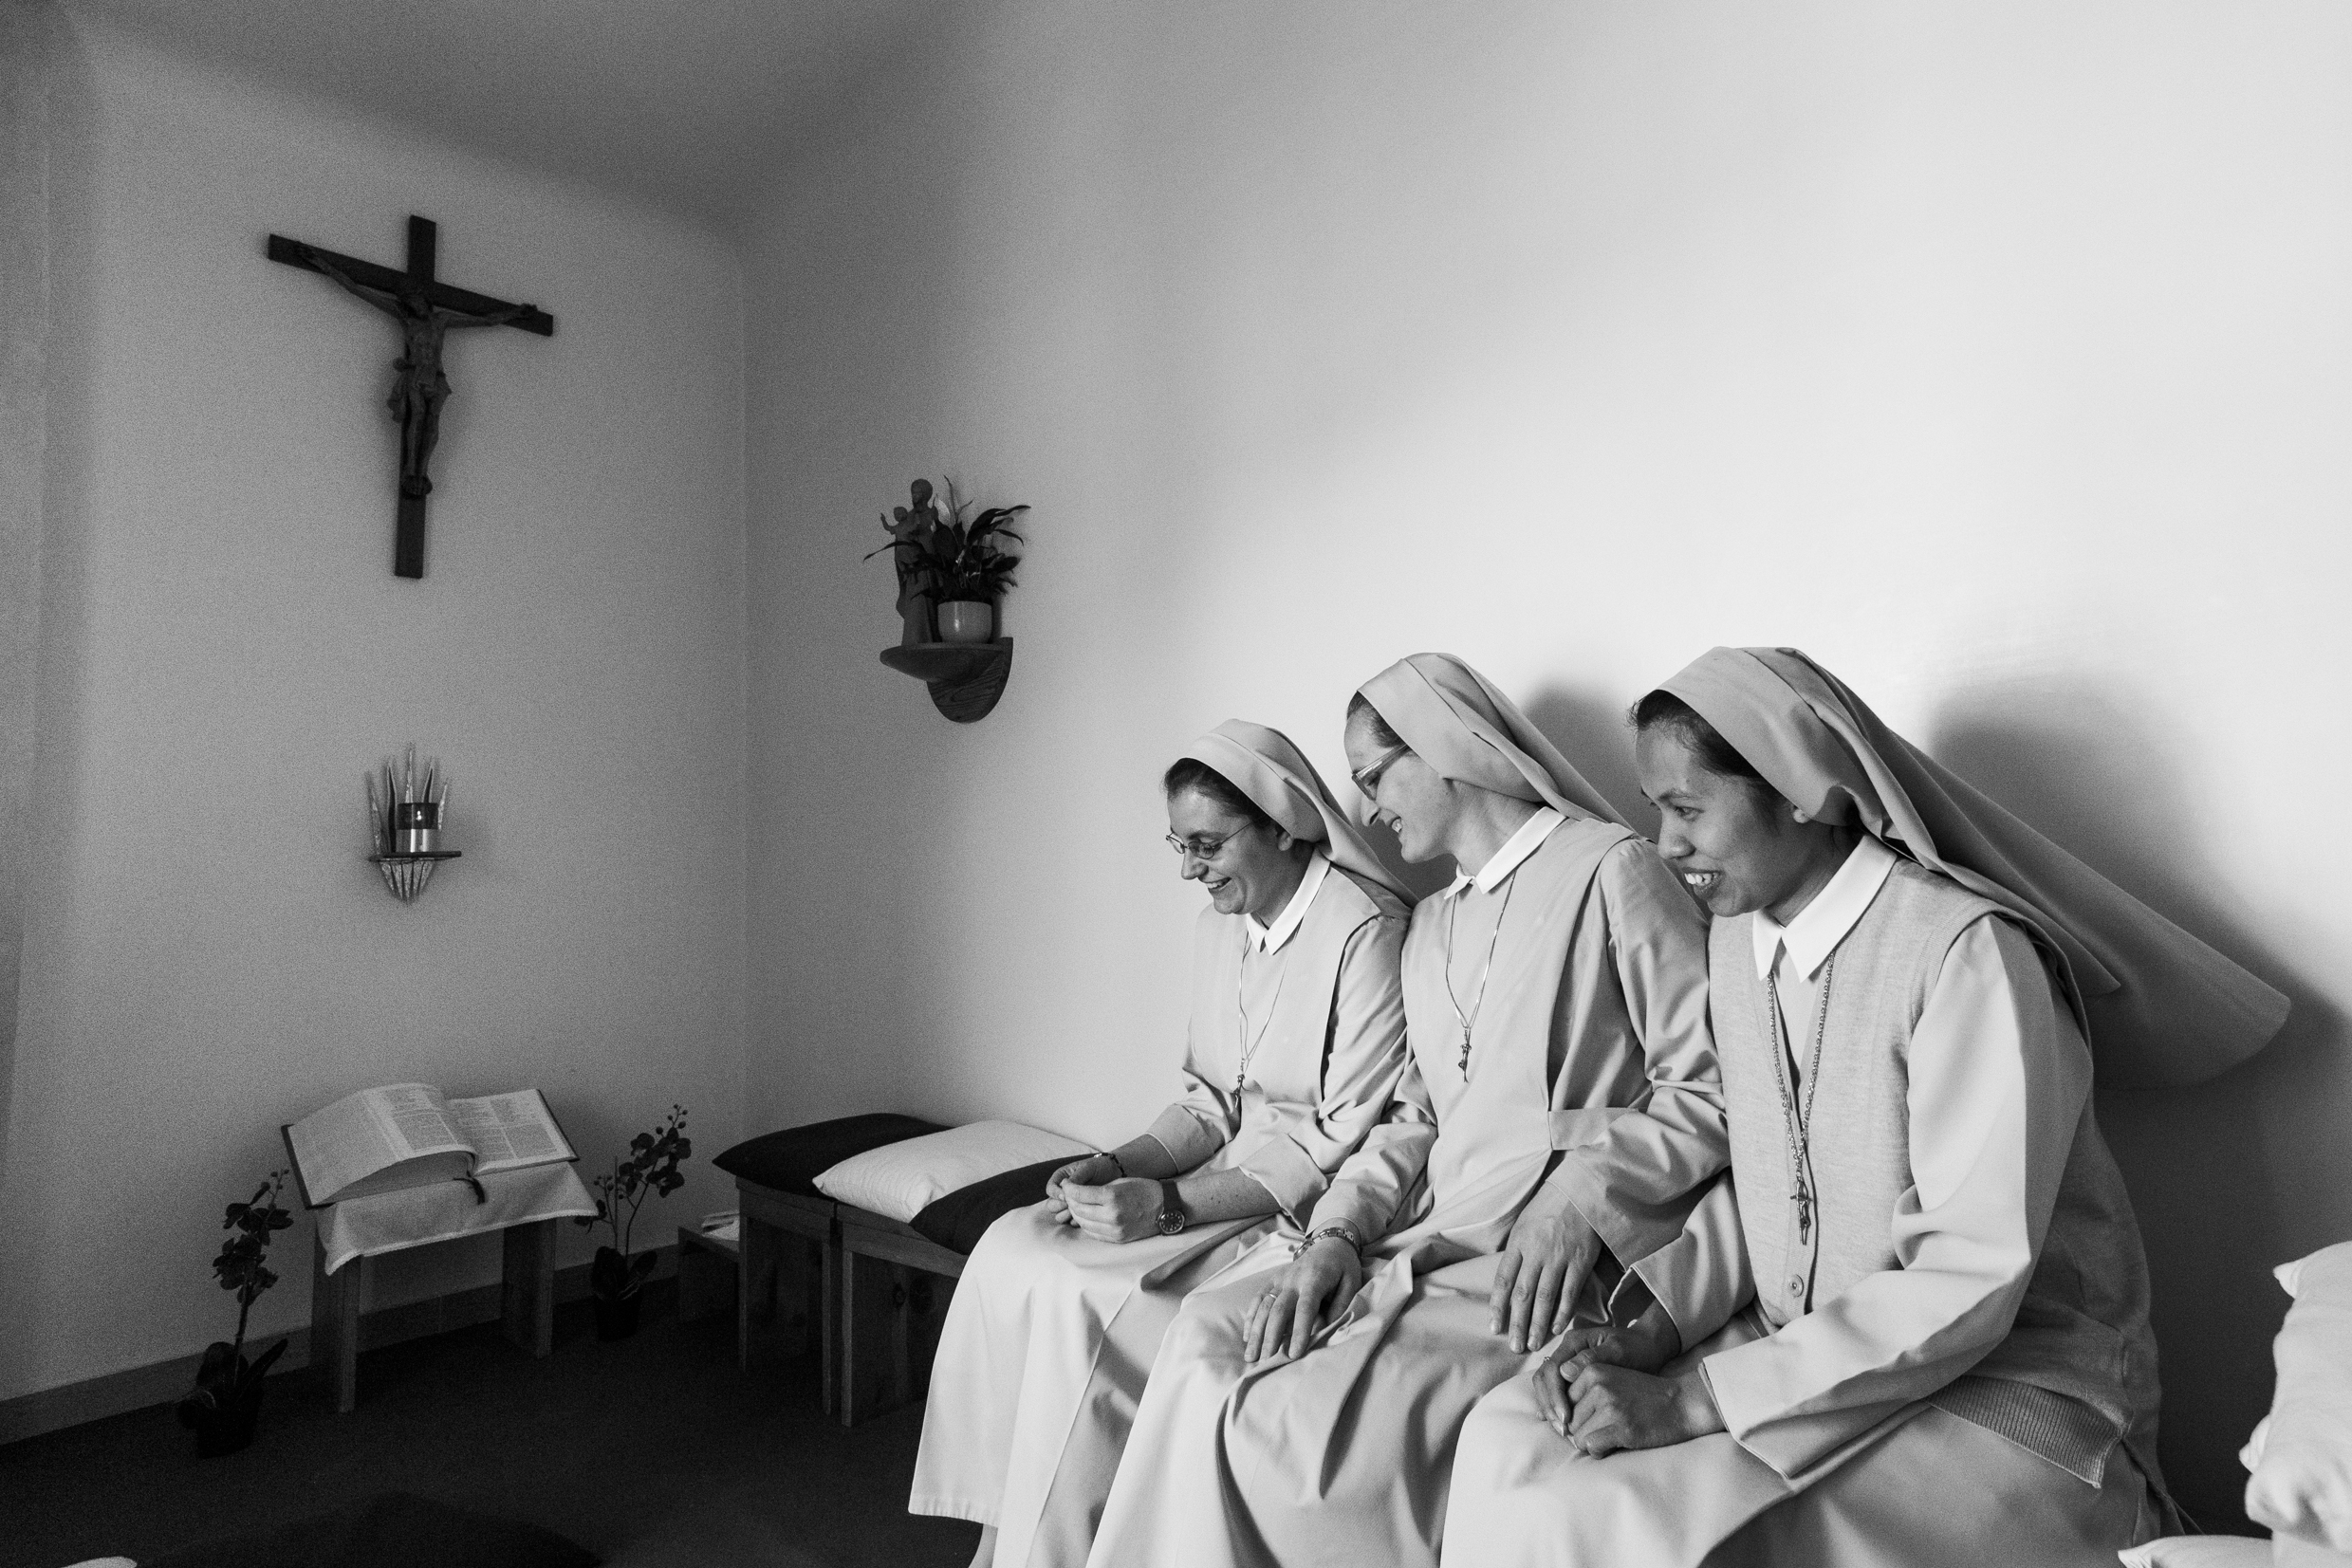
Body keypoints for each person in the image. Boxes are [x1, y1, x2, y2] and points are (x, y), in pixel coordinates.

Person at [1443, 645, 2291, 1568]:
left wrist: (1694, 1399)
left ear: (1798, 790)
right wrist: (1654, 1329)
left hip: (2002, 1384)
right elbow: (1770, 1182)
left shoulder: (1966, 954)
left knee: (1614, 1522)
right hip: (1806, 1345)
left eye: (1685, 808)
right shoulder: (1736, 941)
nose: (1664, 843)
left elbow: (1967, 1275)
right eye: (1656, 810)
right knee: (1505, 1436)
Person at [1083, 654, 1730, 1568]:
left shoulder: (1608, 868)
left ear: (1444, 749)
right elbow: (1410, 1118)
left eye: (1375, 775)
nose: (1366, 805)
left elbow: (1708, 1084)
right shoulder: (1429, 926)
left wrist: (1579, 1198)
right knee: (1200, 1341)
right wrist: (1336, 1234)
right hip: (1429, 1237)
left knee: (1287, 1431)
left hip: (1546, 1262)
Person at [909, 721, 1415, 1568]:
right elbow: (1209, 1100)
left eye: (1207, 845)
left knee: (1087, 1301)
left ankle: (1061, 1549)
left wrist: (1169, 1205)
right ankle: (1003, 1530)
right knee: (1012, 1245)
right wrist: (1117, 1163)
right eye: (1179, 845)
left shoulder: (1365, 928)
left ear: (1282, 826)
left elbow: (1339, 1134)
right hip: (1212, 1179)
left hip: (1291, 1204)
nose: (1189, 870)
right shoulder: (1221, 926)